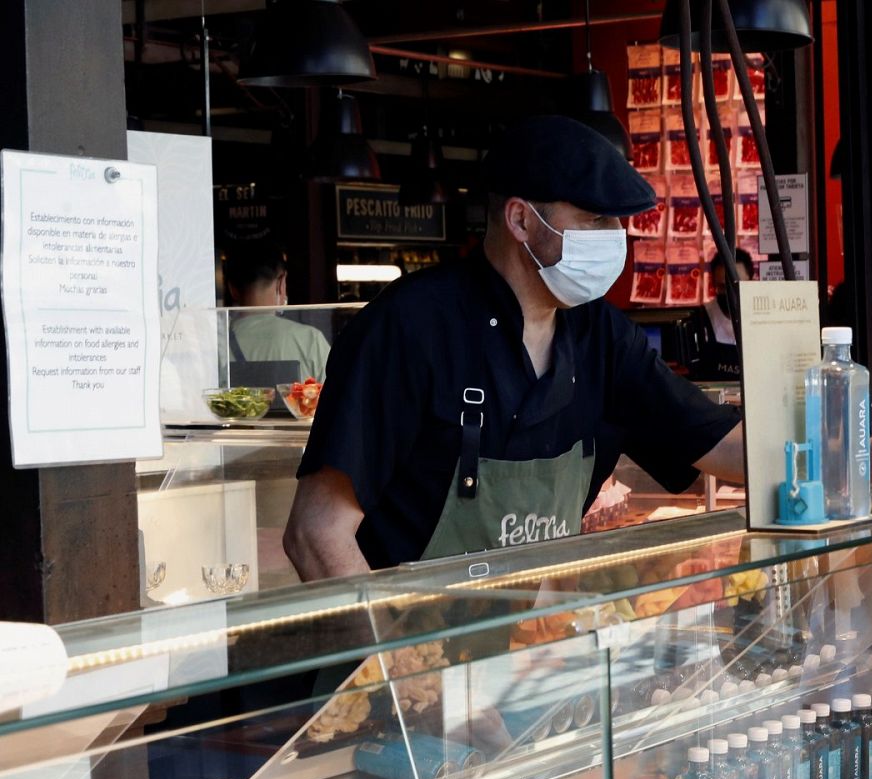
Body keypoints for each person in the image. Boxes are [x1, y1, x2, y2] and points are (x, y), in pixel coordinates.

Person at [284, 116, 744, 579]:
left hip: (531, 642)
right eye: (596, 218)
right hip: (410, 638)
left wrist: (813, 442)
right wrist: (389, 652)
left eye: (618, 222)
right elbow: (316, 533)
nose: (615, 236)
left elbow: (722, 446)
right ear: (521, 219)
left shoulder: (600, 334)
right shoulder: (410, 327)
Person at [222, 241, 331, 382]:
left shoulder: (218, 344)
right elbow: (339, 396)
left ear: (232, 289)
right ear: (281, 283)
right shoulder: (310, 340)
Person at [687, 247, 753, 379]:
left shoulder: (764, 319)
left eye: (736, 286)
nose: (730, 293)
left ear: (751, 280)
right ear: (714, 284)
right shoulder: (700, 319)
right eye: (723, 287)